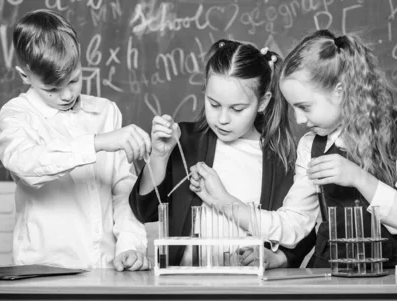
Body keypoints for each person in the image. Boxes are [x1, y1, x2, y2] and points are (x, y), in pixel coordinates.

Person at [129, 39, 317, 269]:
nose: (223, 119)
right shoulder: (184, 141)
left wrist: (279, 258)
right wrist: (159, 156)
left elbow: (301, 228)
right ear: (205, 90)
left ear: (263, 102)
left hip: (250, 290)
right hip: (182, 286)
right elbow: (144, 211)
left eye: (237, 109)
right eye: (214, 104)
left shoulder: (279, 158)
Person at [0, 9, 152, 271]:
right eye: (52, 89)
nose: (67, 94)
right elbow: (27, 165)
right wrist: (97, 142)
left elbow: (123, 188)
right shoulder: (17, 114)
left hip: (106, 269)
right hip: (42, 271)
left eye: (74, 80)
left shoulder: (105, 112)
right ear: (25, 76)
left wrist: (131, 245)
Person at [277, 29, 397, 268]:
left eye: (304, 107)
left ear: (340, 91)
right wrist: (227, 203)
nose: (298, 119)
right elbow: (296, 220)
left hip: (393, 280)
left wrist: (359, 178)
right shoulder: (311, 145)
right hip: (328, 277)